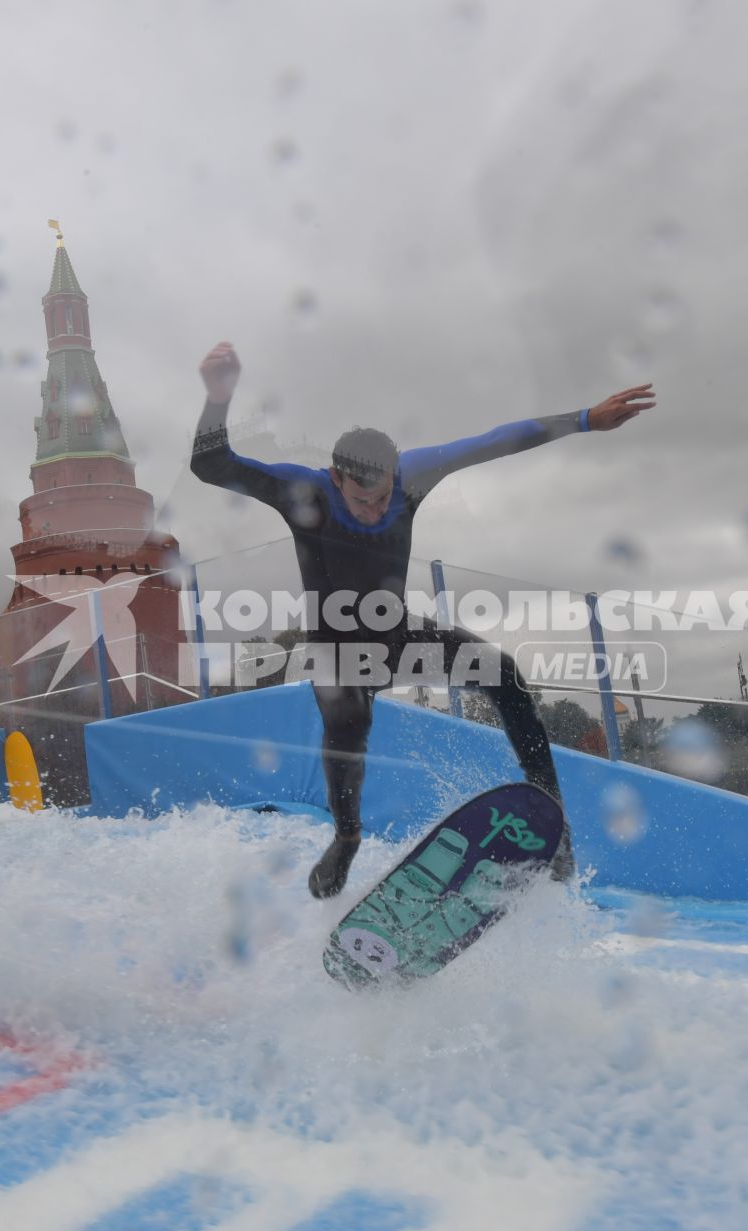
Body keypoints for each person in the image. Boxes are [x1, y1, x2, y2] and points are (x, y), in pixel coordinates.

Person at [189, 341, 656, 898]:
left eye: (382, 499)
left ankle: (552, 819)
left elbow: (493, 442)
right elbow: (211, 465)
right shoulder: (302, 490)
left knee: (503, 674)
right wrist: (218, 397)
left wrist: (583, 419)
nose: (374, 510)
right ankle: (346, 837)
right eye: (362, 502)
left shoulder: (411, 477)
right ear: (336, 480)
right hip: (338, 651)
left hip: (398, 635)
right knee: (348, 724)